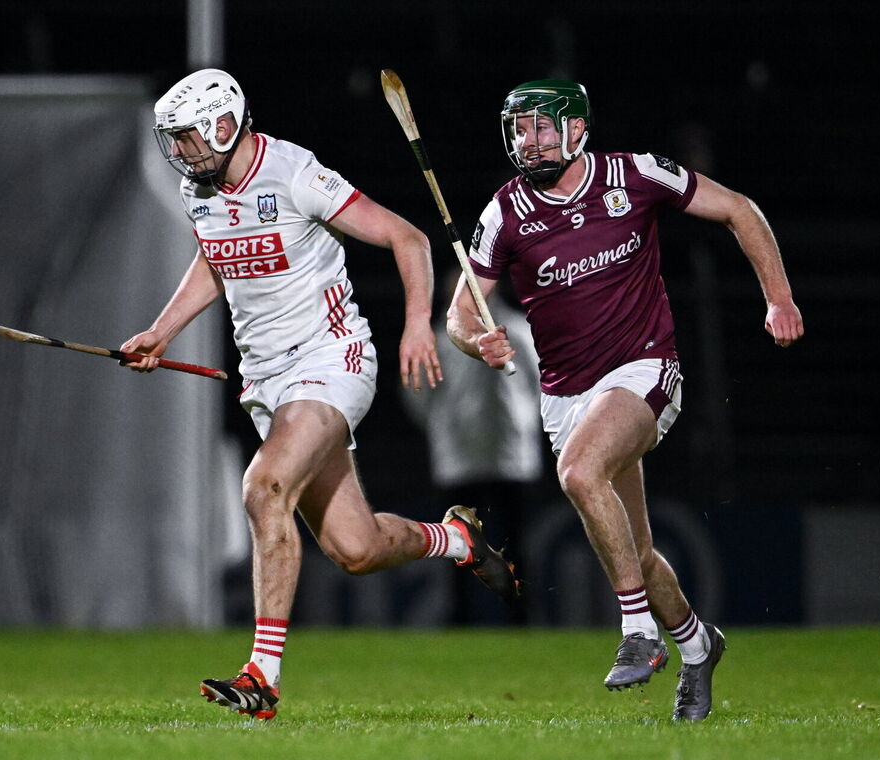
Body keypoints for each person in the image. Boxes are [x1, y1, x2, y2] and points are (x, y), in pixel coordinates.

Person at [121, 68, 519, 720]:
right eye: (176, 140)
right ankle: (456, 539)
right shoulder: (200, 189)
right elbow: (215, 257)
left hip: (333, 360)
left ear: (225, 124)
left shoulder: (295, 172)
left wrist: (417, 325)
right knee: (355, 549)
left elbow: (408, 238)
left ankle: (262, 677)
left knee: (263, 485)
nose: (183, 151)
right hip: (267, 383)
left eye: (190, 137)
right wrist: (162, 331)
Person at [446, 79, 803, 722]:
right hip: (565, 395)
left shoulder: (635, 175)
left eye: (542, 127)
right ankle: (698, 647)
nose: (529, 141)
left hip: (645, 368)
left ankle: (637, 631)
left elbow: (740, 210)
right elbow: (457, 317)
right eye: (519, 129)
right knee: (637, 553)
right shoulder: (503, 212)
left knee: (580, 471)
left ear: (578, 129)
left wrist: (777, 297)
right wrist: (480, 343)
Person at [401, 268, 543, 625]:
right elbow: (418, 394)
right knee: (460, 544)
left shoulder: (520, 333)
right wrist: (442, 428)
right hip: (459, 459)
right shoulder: (439, 340)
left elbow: (543, 388)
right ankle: (461, 617)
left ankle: (520, 615)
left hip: (511, 458)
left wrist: (525, 426)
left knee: (515, 541)